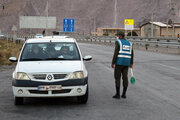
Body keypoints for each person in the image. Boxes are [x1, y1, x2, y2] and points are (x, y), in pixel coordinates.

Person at [111, 31, 134, 99]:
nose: (117, 37)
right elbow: (132, 54)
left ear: (120, 36)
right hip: (126, 63)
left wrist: (113, 62)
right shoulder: (130, 43)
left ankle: (117, 94)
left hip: (119, 63)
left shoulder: (118, 42)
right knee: (125, 77)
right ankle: (124, 94)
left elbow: (116, 53)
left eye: (118, 36)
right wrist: (131, 63)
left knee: (117, 78)